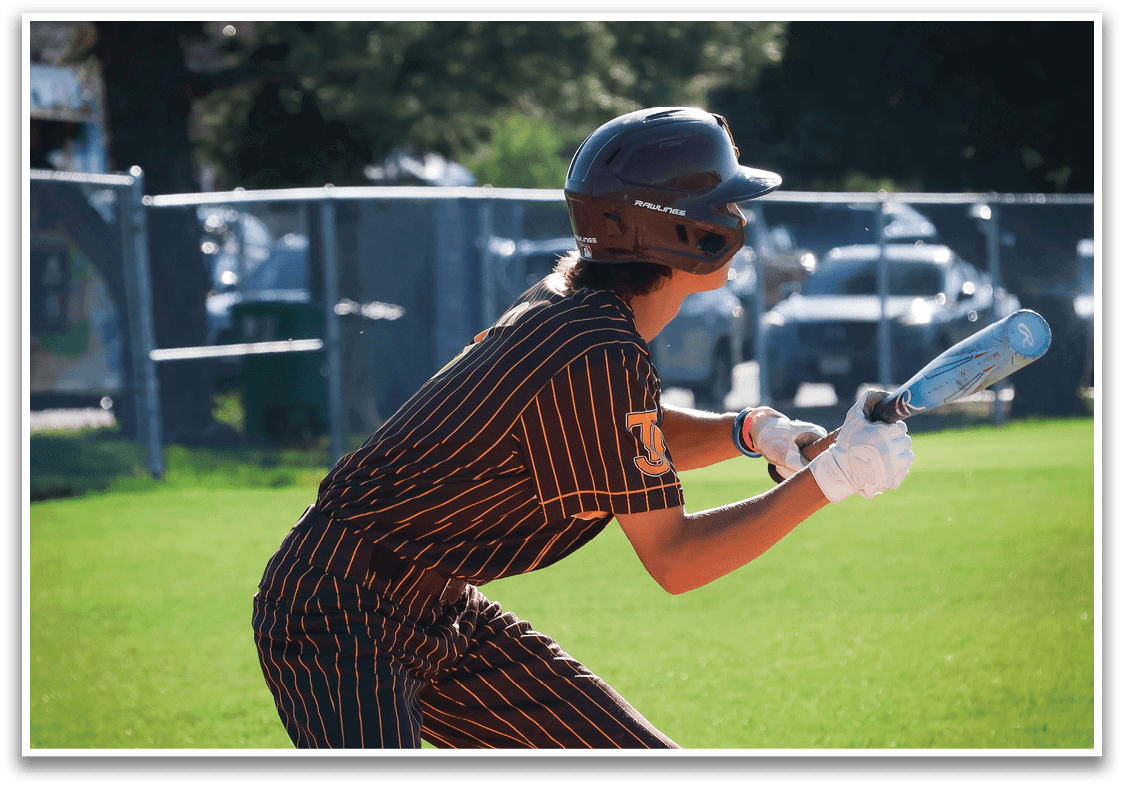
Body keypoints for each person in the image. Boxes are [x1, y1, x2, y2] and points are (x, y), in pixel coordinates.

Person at [252, 106, 914, 749]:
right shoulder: (599, 347)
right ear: (676, 227)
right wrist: (831, 479)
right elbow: (677, 559)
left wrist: (750, 430)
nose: (736, 217)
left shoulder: (580, 311)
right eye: (722, 202)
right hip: (338, 609)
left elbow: (618, 438)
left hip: (433, 602)